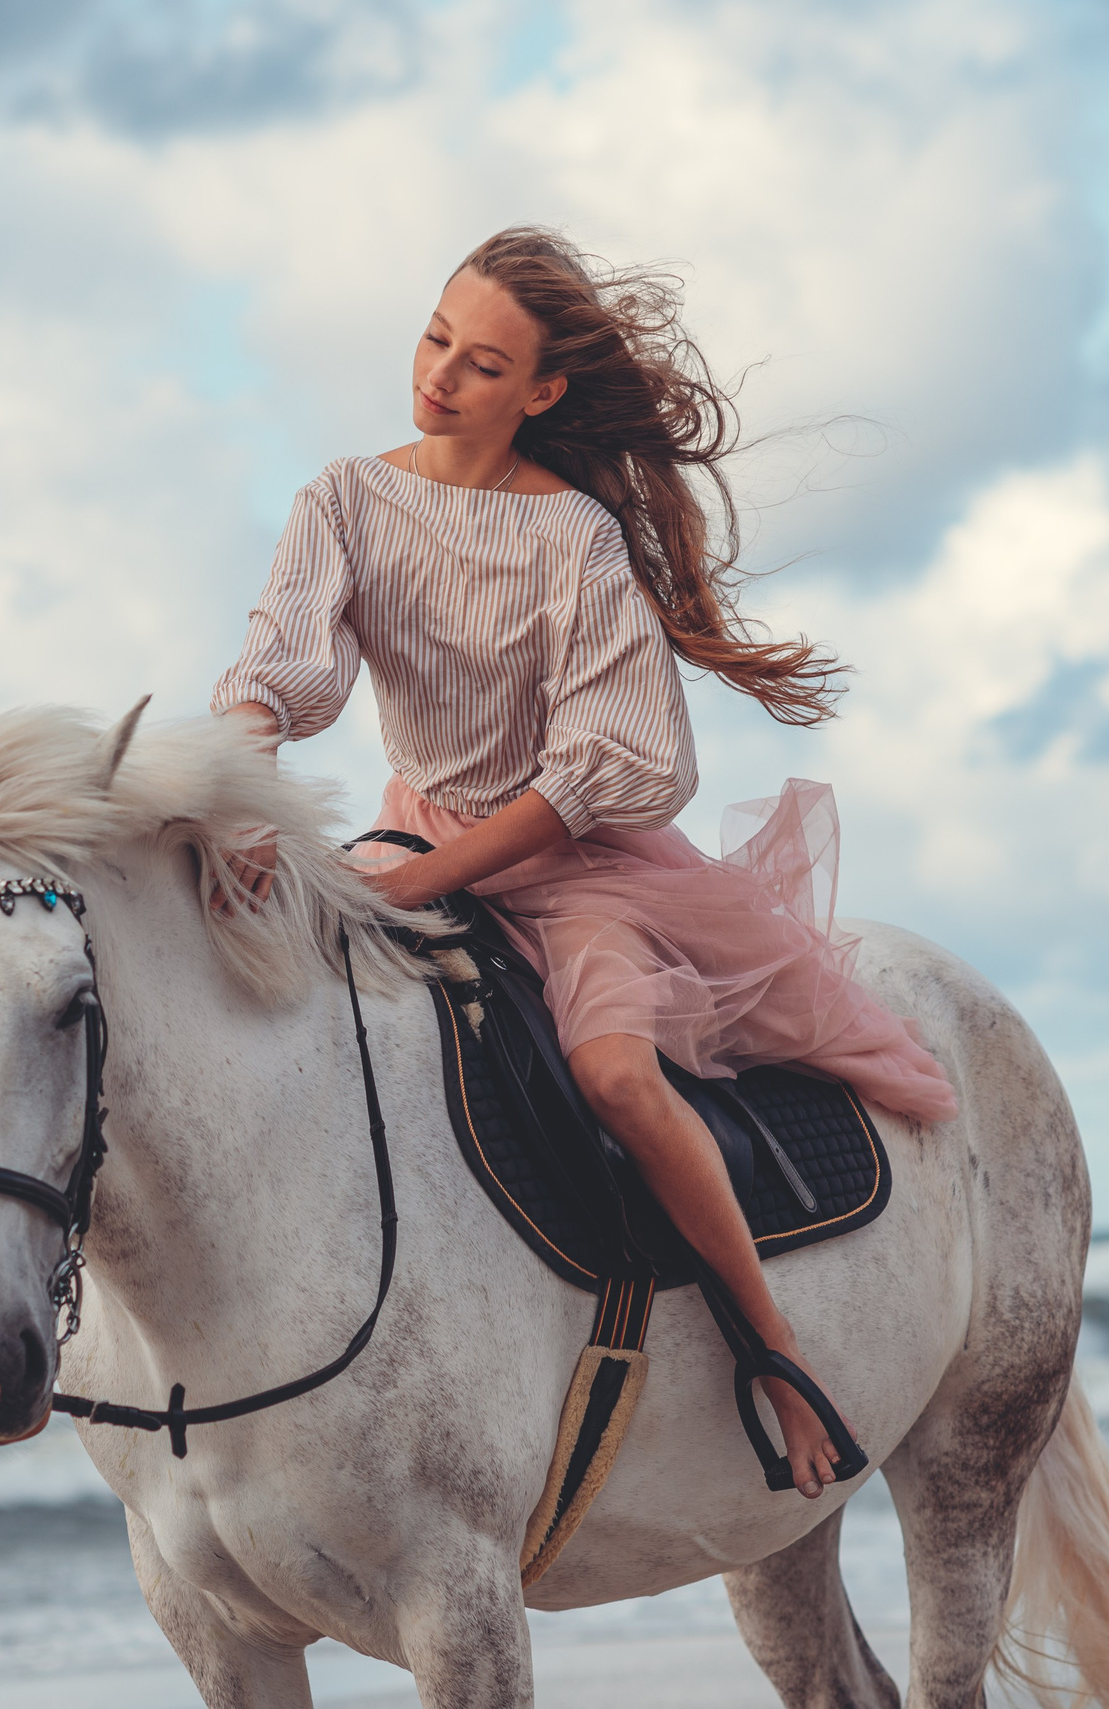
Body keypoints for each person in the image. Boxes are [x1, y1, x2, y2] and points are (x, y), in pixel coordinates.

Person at [212, 227, 959, 1498]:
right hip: (417, 824)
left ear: (540, 393)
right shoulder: (342, 497)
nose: (440, 375)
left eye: (482, 362)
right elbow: (282, 669)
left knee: (613, 1071)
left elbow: (598, 769)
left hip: (575, 862)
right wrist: (236, 784)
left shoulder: (576, 541)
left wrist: (428, 883)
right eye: (435, 337)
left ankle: (772, 1352)